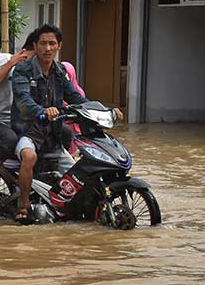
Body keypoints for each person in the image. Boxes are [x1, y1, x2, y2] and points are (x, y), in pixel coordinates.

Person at [11, 24, 123, 222]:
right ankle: (25, 204)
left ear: (59, 46)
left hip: (53, 135)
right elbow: (23, 100)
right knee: (28, 157)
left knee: (79, 174)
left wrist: (104, 110)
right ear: (35, 46)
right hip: (27, 131)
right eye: (43, 44)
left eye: (52, 44)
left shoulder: (60, 71)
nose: (47, 48)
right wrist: (42, 111)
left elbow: (75, 97)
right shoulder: (23, 70)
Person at [0, 31, 38, 208]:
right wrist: (12, 63)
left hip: (19, 123)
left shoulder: (37, 70)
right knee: (9, 139)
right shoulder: (4, 59)